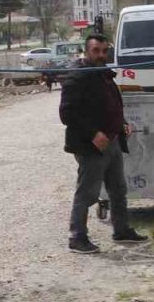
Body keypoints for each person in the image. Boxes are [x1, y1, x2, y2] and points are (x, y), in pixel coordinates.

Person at [59, 34, 146, 253]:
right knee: (87, 193)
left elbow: (112, 106)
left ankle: (121, 230)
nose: (101, 55)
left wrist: (122, 124)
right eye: (96, 50)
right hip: (91, 146)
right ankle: (77, 237)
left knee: (118, 190)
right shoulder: (76, 76)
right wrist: (93, 134)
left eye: (104, 51)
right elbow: (67, 113)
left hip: (112, 141)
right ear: (86, 51)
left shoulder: (104, 74)